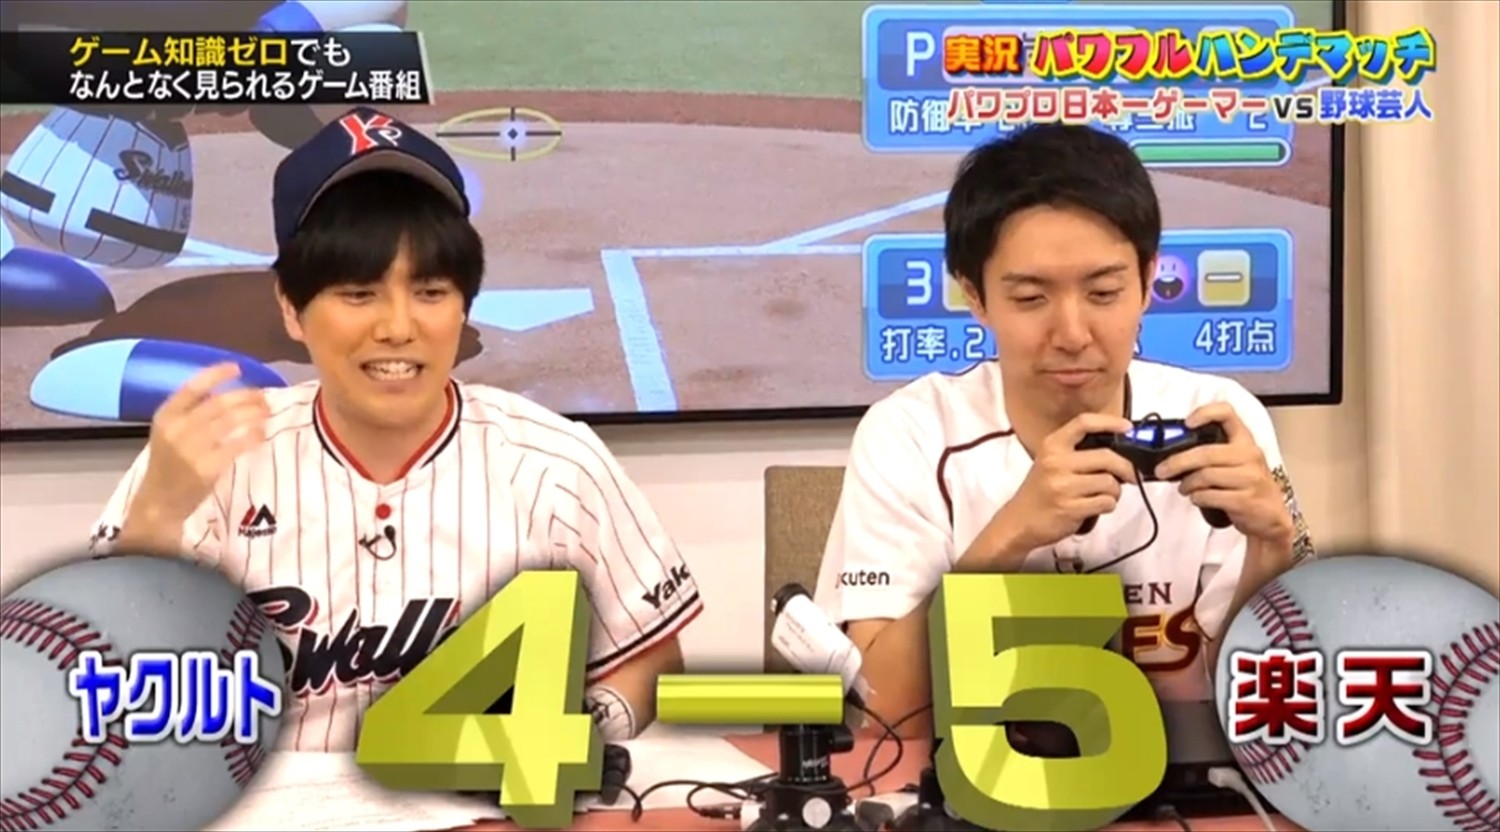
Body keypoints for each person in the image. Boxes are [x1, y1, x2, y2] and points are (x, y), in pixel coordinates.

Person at [88, 107, 703, 751]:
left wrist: (579, 729)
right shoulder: (212, 458)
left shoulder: (556, 465)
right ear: (291, 308)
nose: (398, 327)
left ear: (464, 305)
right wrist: (154, 521)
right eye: (359, 294)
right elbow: (107, 689)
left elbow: (648, 657)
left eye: (430, 292)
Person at [813, 124, 1315, 739]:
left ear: (1148, 280)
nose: (1073, 334)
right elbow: (884, 712)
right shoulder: (911, 434)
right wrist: (1008, 538)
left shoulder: (1216, 417)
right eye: (1031, 298)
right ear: (975, 296)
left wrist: (1272, 548)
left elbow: (1263, 703)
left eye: (1103, 292)